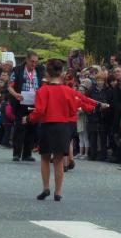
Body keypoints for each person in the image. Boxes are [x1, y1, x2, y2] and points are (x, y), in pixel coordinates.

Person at [25, 59, 94, 201]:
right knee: (58, 160)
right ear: (61, 73)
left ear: (47, 74)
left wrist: (28, 118)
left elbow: (39, 111)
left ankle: (45, 188)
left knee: (45, 158)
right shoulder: (68, 91)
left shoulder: (42, 90)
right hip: (62, 126)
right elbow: (71, 110)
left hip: (47, 125)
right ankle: (58, 191)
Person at [8, 51, 45, 162]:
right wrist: (16, 94)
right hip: (20, 103)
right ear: (27, 60)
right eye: (32, 62)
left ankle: (27, 154)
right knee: (19, 128)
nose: (34, 64)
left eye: (36, 62)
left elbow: (44, 85)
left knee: (32, 128)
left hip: (34, 103)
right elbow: (10, 86)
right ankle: (16, 153)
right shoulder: (17, 70)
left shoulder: (40, 70)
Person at [86, 72, 113, 161]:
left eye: (101, 80)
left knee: (103, 137)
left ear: (104, 81)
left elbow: (110, 102)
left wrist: (105, 107)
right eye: (98, 80)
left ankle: (103, 155)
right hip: (93, 116)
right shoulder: (91, 90)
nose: (99, 82)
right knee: (92, 136)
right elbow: (87, 102)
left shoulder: (108, 90)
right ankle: (92, 155)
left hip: (104, 116)